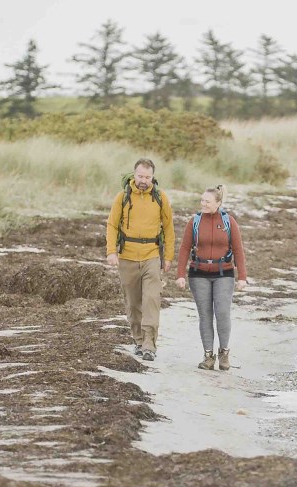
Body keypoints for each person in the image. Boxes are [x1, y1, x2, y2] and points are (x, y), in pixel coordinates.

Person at [105, 158, 174, 361]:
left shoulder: (161, 198)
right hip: (127, 256)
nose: (144, 180)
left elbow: (169, 229)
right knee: (133, 303)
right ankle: (138, 340)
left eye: (148, 177)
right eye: (140, 176)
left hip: (152, 255)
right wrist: (111, 251)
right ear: (134, 175)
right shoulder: (122, 197)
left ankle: (149, 345)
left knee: (152, 300)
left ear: (153, 177)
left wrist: (168, 257)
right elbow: (112, 225)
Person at [175, 185, 248, 371]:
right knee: (205, 316)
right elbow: (184, 248)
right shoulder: (195, 221)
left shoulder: (229, 221)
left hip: (224, 273)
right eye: (202, 200)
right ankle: (208, 356)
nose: (203, 204)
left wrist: (242, 277)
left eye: (207, 201)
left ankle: (224, 353)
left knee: (222, 313)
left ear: (218, 203)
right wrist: (180, 275)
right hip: (198, 274)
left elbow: (238, 249)